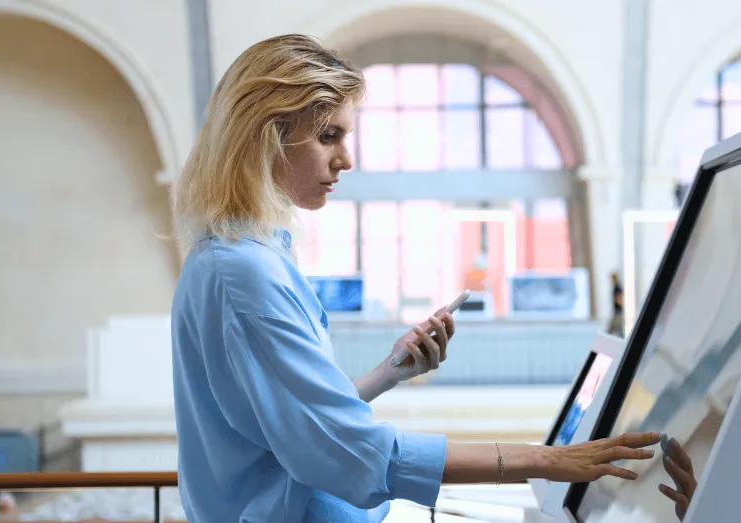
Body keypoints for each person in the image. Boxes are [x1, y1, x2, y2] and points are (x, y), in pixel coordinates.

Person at [169, 34, 662, 523]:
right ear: (267, 135)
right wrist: (549, 461)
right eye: (328, 136)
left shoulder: (234, 256)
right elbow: (349, 452)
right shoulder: (244, 275)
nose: (347, 159)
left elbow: (293, 420)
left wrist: (388, 371)